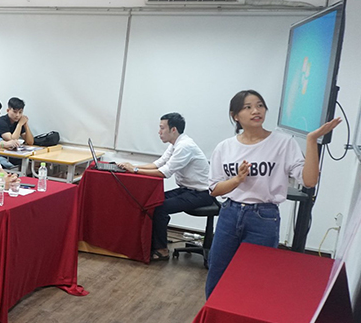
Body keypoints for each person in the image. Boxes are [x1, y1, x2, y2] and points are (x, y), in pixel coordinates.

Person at [204, 89, 340, 298]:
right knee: (218, 272)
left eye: (260, 105)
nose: (256, 111)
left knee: (256, 278)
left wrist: (312, 140)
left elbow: (309, 180)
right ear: (235, 115)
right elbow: (214, 189)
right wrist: (237, 180)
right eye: (248, 107)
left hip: (263, 217)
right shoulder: (225, 147)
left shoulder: (283, 143)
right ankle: (213, 315)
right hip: (229, 214)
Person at [118, 112, 215, 261]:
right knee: (153, 202)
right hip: (187, 190)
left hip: (201, 194)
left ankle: (161, 249)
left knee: (159, 208)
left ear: (173, 129)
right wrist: (131, 166)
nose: (159, 132)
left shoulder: (185, 146)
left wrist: (135, 170)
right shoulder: (175, 144)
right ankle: (155, 241)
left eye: (162, 128)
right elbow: (158, 164)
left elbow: (164, 173)